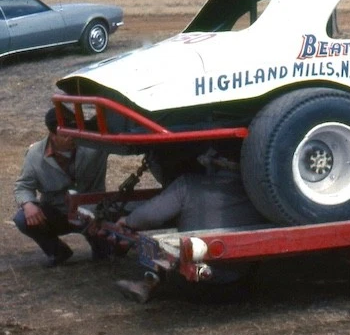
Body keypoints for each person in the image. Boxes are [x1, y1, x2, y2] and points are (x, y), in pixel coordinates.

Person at [113, 150, 268, 302]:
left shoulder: (188, 185)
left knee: (160, 228)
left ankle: (148, 282)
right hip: (240, 284)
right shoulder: (260, 193)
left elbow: (148, 216)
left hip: (192, 284)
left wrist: (128, 220)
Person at [13, 105, 109, 267]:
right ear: (52, 135)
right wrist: (28, 204)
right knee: (22, 218)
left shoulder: (95, 145)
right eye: (65, 134)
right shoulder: (35, 155)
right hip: (58, 213)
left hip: (93, 214)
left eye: (74, 132)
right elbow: (23, 186)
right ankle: (57, 251)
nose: (72, 137)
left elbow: (115, 131)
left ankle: (102, 248)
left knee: (109, 257)